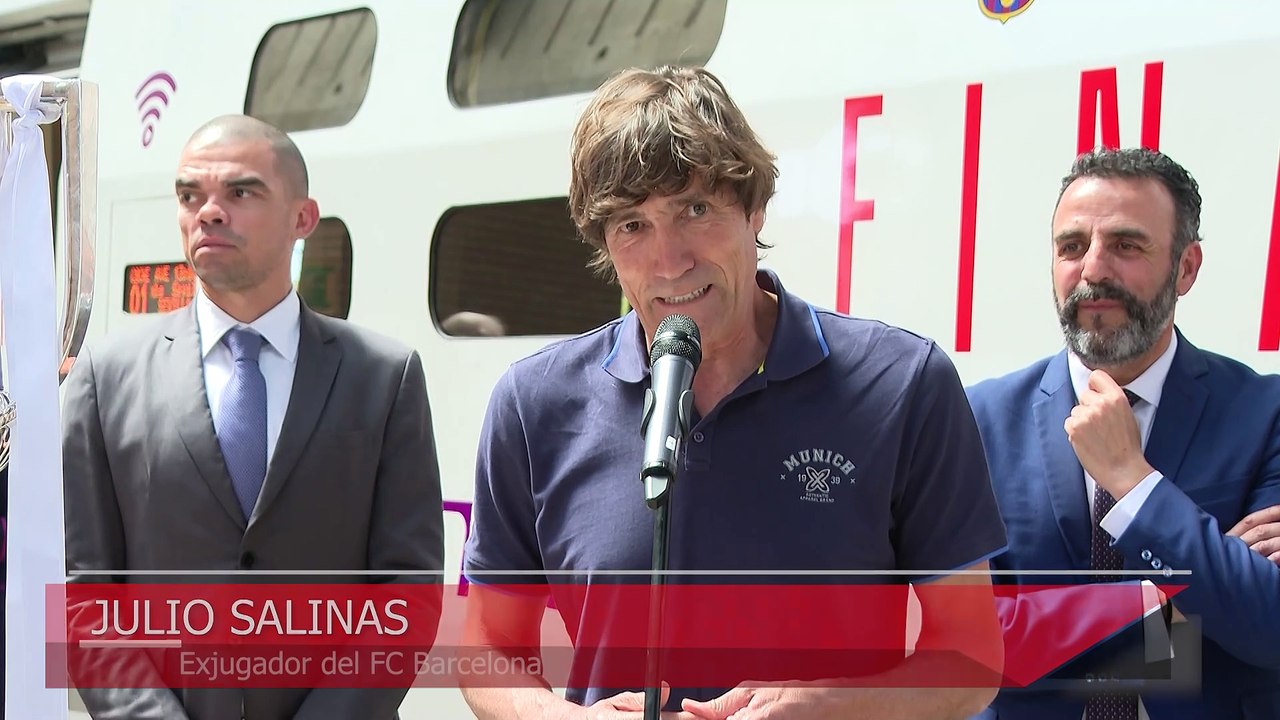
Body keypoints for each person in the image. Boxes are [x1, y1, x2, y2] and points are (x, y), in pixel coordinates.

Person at [459, 65, 1007, 720]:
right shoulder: (533, 404)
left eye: (695, 210)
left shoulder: (903, 382)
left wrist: (826, 709)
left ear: (754, 209)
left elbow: (972, 658)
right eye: (632, 226)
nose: (669, 260)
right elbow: (488, 646)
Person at [61, 114, 445, 720]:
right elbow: (85, 596)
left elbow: (407, 594)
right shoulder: (104, 377)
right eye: (190, 195)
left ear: (303, 219)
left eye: (241, 192)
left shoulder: (384, 375)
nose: (209, 212)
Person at [965, 147, 1280, 720]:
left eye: (1126, 246)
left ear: (1186, 267)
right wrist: (1187, 603)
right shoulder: (979, 419)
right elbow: (962, 639)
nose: (1092, 270)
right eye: (1072, 247)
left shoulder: (1265, 414)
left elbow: (1270, 625)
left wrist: (1132, 484)